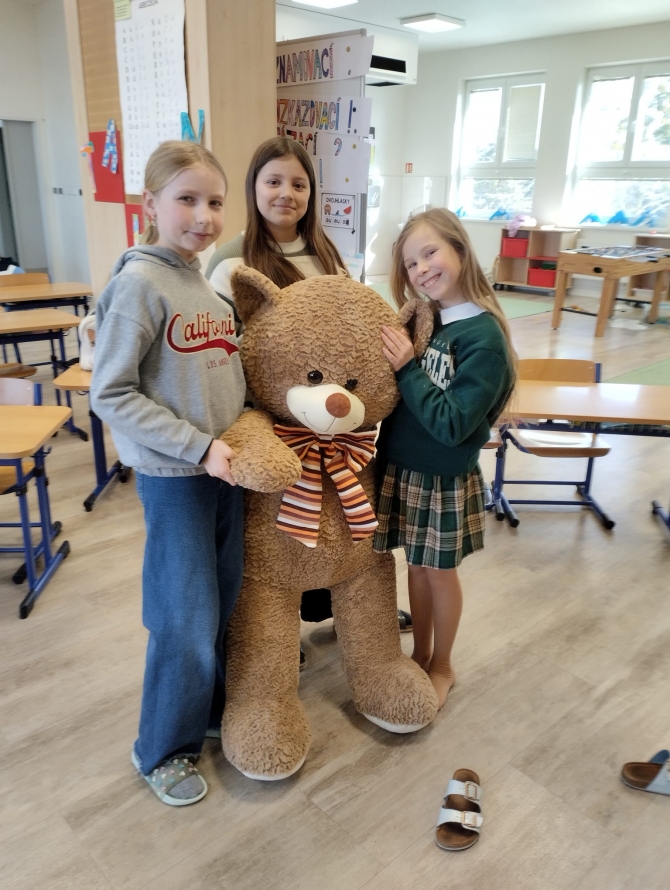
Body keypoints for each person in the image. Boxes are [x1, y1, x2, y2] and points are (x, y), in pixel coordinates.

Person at [205, 136, 412, 664]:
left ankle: (338, 606)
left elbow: (350, 324)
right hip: (270, 417)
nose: (286, 194)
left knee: (332, 519)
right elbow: (223, 348)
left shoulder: (325, 252)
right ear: (254, 187)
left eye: (298, 184)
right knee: (274, 535)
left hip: (333, 421)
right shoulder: (231, 261)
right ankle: (271, 633)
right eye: (273, 181)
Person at [90, 141, 246, 806]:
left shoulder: (205, 287)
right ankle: (161, 748)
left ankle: (206, 711)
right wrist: (196, 447)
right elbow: (110, 393)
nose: (203, 216)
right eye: (187, 199)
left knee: (222, 603)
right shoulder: (140, 286)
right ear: (150, 204)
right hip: (177, 478)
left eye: (214, 201)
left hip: (224, 475)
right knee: (183, 616)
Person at [374, 208, 516, 709]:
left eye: (429, 252)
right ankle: (420, 653)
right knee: (415, 568)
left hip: (443, 479)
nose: (421, 269)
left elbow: (453, 424)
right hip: (404, 469)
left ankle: (443, 665)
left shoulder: (483, 338)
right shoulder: (426, 321)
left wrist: (407, 367)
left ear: (459, 248)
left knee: (438, 573)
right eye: (410, 263)